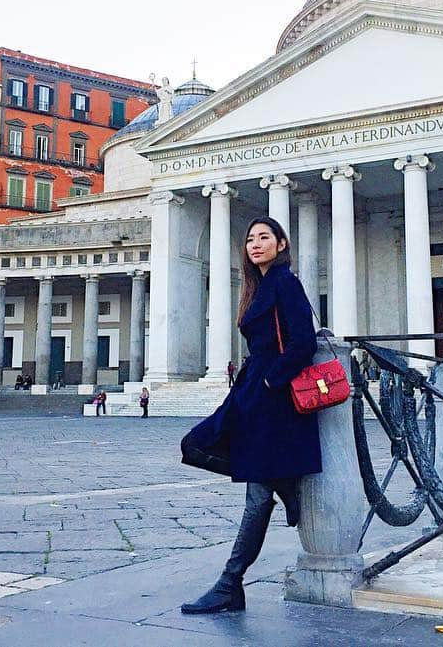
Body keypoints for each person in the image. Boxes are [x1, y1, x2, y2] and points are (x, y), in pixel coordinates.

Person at [179, 216, 319, 615]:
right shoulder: (258, 286)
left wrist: (272, 383)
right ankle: (284, 483)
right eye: (251, 239)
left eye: (264, 238)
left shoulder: (285, 282)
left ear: (282, 243)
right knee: (196, 444)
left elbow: (303, 341)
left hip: (273, 399)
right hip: (252, 392)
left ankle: (230, 584)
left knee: (256, 496)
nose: (255, 244)